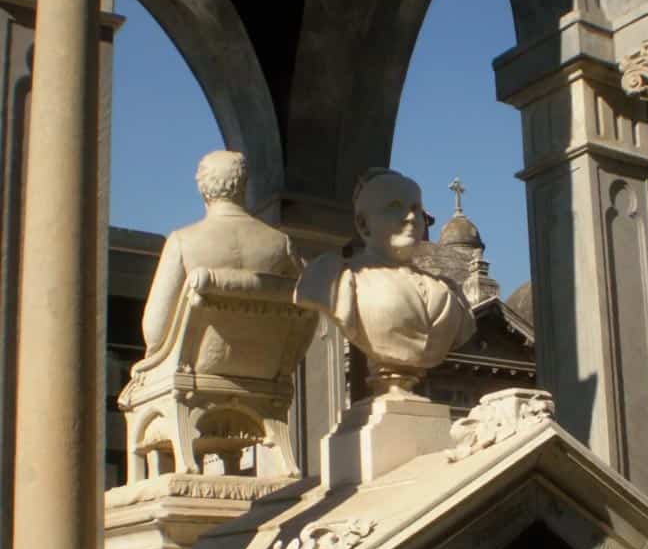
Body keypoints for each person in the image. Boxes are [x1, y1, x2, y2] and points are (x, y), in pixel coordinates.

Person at [295, 168, 475, 394]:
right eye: (394, 207)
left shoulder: (449, 293)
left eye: (415, 209)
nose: (410, 217)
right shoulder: (333, 279)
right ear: (363, 224)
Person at [141, 150, 302, 354]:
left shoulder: (182, 242)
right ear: (244, 185)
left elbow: (155, 333)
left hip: (196, 371)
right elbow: (306, 311)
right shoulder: (281, 244)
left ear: (202, 189)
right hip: (267, 368)